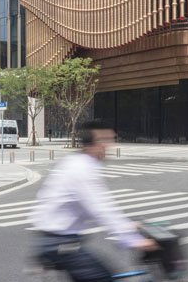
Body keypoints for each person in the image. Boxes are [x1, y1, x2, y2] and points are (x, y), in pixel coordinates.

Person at [32, 120, 157, 281]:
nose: (109, 146)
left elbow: (95, 207)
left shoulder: (75, 162)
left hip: (55, 241)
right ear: (92, 144)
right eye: (105, 140)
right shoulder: (83, 169)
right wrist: (135, 241)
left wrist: (128, 226)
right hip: (60, 244)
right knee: (103, 277)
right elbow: (101, 209)